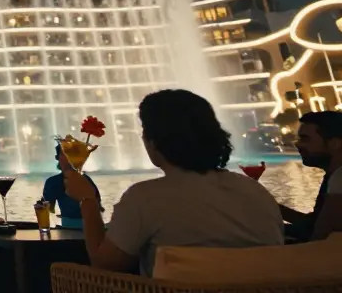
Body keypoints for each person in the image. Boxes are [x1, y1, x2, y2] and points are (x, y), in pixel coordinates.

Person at [64, 89, 283, 277]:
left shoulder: (145, 198)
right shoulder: (255, 192)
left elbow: (105, 265)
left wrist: (87, 200)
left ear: (153, 141)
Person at [279, 110, 342, 241]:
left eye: (305, 139)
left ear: (334, 144)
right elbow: (315, 222)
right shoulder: (333, 174)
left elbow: (321, 237)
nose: (297, 144)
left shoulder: (339, 178)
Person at [42, 144, 100, 229]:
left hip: (89, 228)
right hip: (68, 228)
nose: (68, 157)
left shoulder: (85, 180)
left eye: (71, 154)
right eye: (65, 154)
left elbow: (97, 206)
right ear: (57, 157)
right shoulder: (53, 182)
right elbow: (48, 209)